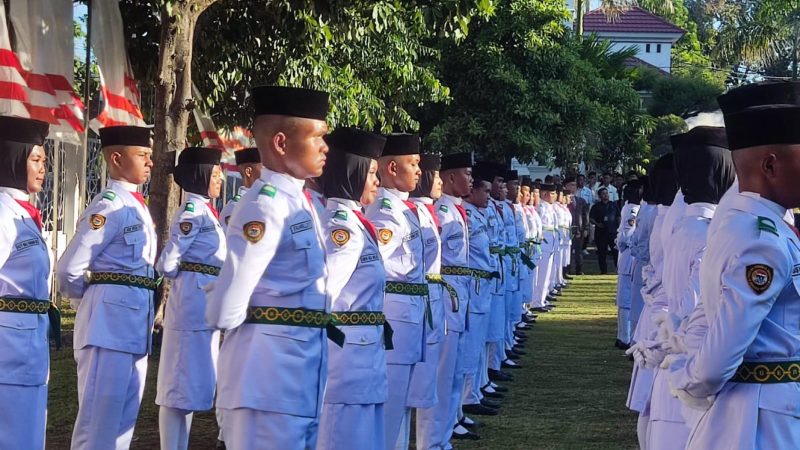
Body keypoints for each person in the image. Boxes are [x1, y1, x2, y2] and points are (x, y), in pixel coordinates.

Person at [666, 81, 800, 449]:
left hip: (766, 406)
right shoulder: (762, 239)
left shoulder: (756, 224)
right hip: (765, 417)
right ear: (771, 165)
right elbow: (723, 346)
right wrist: (690, 382)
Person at [204, 85, 333, 450]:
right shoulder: (265, 206)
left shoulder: (302, 203)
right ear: (280, 143)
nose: (325, 147)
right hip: (266, 380)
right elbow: (224, 310)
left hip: (299, 375)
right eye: (317, 137)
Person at [56, 125, 157, 450]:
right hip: (106, 329)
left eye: (150, 156)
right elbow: (69, 268)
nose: (150, 162)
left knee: (121, 428)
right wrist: (86, 303)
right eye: (142, 155)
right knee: (97, 428)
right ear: (116, 158)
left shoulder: (137, 206)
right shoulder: (108, 206)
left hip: (132, 329)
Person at [644, 127, 735, 450]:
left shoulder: (682, 224)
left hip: (672, 365)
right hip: (691, 372)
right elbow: (695, 311)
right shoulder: (710, 234)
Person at [315, 127, 388, 450]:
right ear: (352, 172)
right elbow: (323, 295)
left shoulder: (357, 223)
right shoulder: (342, 228)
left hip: (364, 355)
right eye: (371, 173)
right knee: (342, 438)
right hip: (347, 360)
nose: (377, 181)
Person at [156, 146, 225, 450]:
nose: (220, 180)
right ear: (200, 176)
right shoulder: (193, 212)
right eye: (215, 174)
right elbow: (168, 263)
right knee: (177, 387)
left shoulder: (207, 211)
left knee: (191, 386)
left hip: (202, 307)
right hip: (190, 307)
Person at [364, 133, 426, 450]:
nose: (419, 170)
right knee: (390, 408)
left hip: (409, 317)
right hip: (396, 319)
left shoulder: (402, 209)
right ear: (391, 167)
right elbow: (374, 267)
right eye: (412, 163)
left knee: (401, 404)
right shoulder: (386, 211)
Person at [0, 116, 52, 450]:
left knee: (29, 435)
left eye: (45, 161)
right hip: (8, 347)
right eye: (35, 159)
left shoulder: (23, 212)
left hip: (29, 341)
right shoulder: (3, 216)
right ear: (12, 157)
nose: (42, 168)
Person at [624, 154, 678, 448]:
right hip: (663, 311)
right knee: (652, 403)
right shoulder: (666, 215)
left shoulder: (660, 212)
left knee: (650, 401)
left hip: (658, 307)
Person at [407, 153, 447, 449]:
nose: (438, 181)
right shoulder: (396, 213)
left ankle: (435, 440)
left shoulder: (424, 211)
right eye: (437, 175)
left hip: (430, 300)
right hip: (408, 309)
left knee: (433, 378)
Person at [614, 181, 641, 349]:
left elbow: (624, 236)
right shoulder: (633, 209)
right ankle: (624, 337)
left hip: (629, 256)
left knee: (626, 299)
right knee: (625, 299)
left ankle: (624, 336)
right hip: (630, 255)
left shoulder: (630, 208)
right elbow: (627, 234)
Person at [219, 147, 262, 232]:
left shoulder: (261, 200)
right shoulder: (235, 207)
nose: (269, 174)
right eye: (264, 169)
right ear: (248, 172)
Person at [589, 188, 619, 274]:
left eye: (607, 193)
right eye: (603, 194)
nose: (606, 195)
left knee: (615, 252)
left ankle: (618, 269)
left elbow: (618, 216)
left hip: (613, 232)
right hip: (601, 233)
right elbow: (591, 218)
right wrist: (597, 224)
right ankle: (603, 271)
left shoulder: (613, 205)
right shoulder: (596, 206)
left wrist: (619, 227)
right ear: (600, 196)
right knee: (602, 253)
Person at [565, 177, 589, 275]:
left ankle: (579, 269)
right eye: (571, 185)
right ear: (566, 186)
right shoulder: (564, 201)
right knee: (568, 251)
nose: (573, 187)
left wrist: (586, 228)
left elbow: (585, 215)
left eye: (575, 185)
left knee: (579, 250)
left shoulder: (581, 201)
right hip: (568, 229)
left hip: (579, 229)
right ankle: (568, 269)